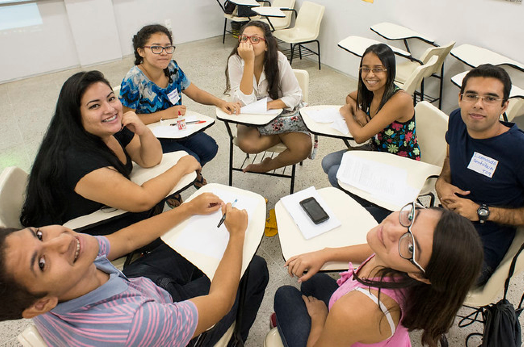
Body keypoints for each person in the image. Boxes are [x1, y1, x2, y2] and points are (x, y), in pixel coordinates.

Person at [1, 193, 269, 346]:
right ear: (41, 304)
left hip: (135, 287)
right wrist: (236, 234)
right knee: (253, 268)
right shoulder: (130, 325)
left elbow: (125, 240)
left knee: (195, 238)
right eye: (42, 263)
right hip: (151, 312)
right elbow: (219, 302)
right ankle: (236, 339)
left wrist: (187, 209)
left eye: (38, 234)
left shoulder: (35, 290)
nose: (62, 240)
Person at [274, 203, 483, 347]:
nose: (392, 229)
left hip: (354, 318)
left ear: (421, 275)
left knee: (285, 295)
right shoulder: (402, 263)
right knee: (316, 280)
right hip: (367, 324)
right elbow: (374, 249)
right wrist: (326, 254)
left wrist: (320, 318)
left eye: (411, 247)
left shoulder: (356, 310)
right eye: (411, 217)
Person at [20, 70, 200, 234]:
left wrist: (143, 130)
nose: (110, 109)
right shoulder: (76, 160)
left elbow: (150, 159)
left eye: (111, 98)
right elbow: (142, 200)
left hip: (101, 207)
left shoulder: (110, 128)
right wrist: (182, 166)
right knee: (163, 216)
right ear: (75, 115)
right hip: (71, 233)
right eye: (94, 106)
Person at [435, 64, 524, 285]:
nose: (478, 105)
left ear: (505, 105)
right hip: (446, 221)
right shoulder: (457, 120)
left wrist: (481, 212)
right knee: (392, 244)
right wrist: (443, 180)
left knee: (430, 273)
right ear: (460, 98)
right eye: (472, 95)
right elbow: (449, 158)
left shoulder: (518, 149)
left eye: (490, 98)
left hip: (483, 241)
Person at [120, 24, 240, 176]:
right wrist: (164, 114)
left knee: (210, 148)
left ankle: (191, 174)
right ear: (141, 51)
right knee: (191, 158)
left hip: (176, 128)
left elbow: (195, 92)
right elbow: (127, 121)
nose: (164, 53)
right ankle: (177, 183)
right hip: (151, 137)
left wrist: (221, 102)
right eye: (156, 48)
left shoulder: (172, 68)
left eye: (168, 47)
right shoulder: (134, 79)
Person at [322, 43, 420, 189]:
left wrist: (347, 113)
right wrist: (358, 112)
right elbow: (350, 97)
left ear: (390, 71)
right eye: (365, 69)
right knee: (328, 162)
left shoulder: (400, 99)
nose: (370, 75)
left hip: (398, 162)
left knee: (335, 173)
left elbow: (360, 136)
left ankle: (366, 204)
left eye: (378, 69)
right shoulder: (372, 90)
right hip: (378, 149)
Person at [225, 21, 312, 173]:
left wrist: (268, 106)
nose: (248, 43)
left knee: (303, 148)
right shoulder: (236, 61)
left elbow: (295, 95)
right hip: (250, 117)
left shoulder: (278, 59)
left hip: (279, 114)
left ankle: (267, 165)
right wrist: (248, 62)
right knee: (248, 145)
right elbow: (243, 104)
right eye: (244, 38)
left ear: (266, 45)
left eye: (255, 39)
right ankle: (280, 133)